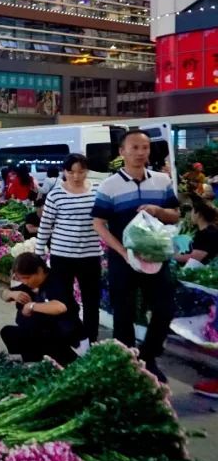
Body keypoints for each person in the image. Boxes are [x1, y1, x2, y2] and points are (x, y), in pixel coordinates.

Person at [92, 129, 180, 382]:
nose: (141, 153)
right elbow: (98, 223)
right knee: (124, 314)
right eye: (135, 148)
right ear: (122, 152)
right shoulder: (110, 186)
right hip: (123, 259)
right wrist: (121, 252)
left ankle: (148, 357)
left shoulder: (162, 182)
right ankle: (127, 364)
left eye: (145, 148)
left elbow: (175, 215)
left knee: (164, 310)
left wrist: (157, 211)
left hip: (156, 257)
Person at [37, 154, 102, 345]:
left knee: (92, 301)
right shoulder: (55, 195)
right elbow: (46, 225)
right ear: (64, 172)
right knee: (64, 300)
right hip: (62, 256)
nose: (76, 176)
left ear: (87, 171)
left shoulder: (97, 191)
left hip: (90, 255)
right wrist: (39, 251)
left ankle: (91, 340)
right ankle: (71, 337)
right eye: (71, 172)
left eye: (81, 172)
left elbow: (104, 219)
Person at [0, 252, 86, 366]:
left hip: (61, 338)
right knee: (8, 332)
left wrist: (31, 306)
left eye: (27, 278)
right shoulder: (28, 285)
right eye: (21, 279)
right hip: (37, 334)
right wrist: (12, 294)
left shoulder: (56, 281)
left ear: (39, 271)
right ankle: (26, 361)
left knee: (42, 339)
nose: (25, 282)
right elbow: (4, 294)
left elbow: (60, 307)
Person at [174, 195, 218, 265]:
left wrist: (172, 256)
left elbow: (193, 257)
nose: (191, 214)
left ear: (198, 214)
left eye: (192, 211)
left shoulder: (208, 233)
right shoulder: (206, 231)